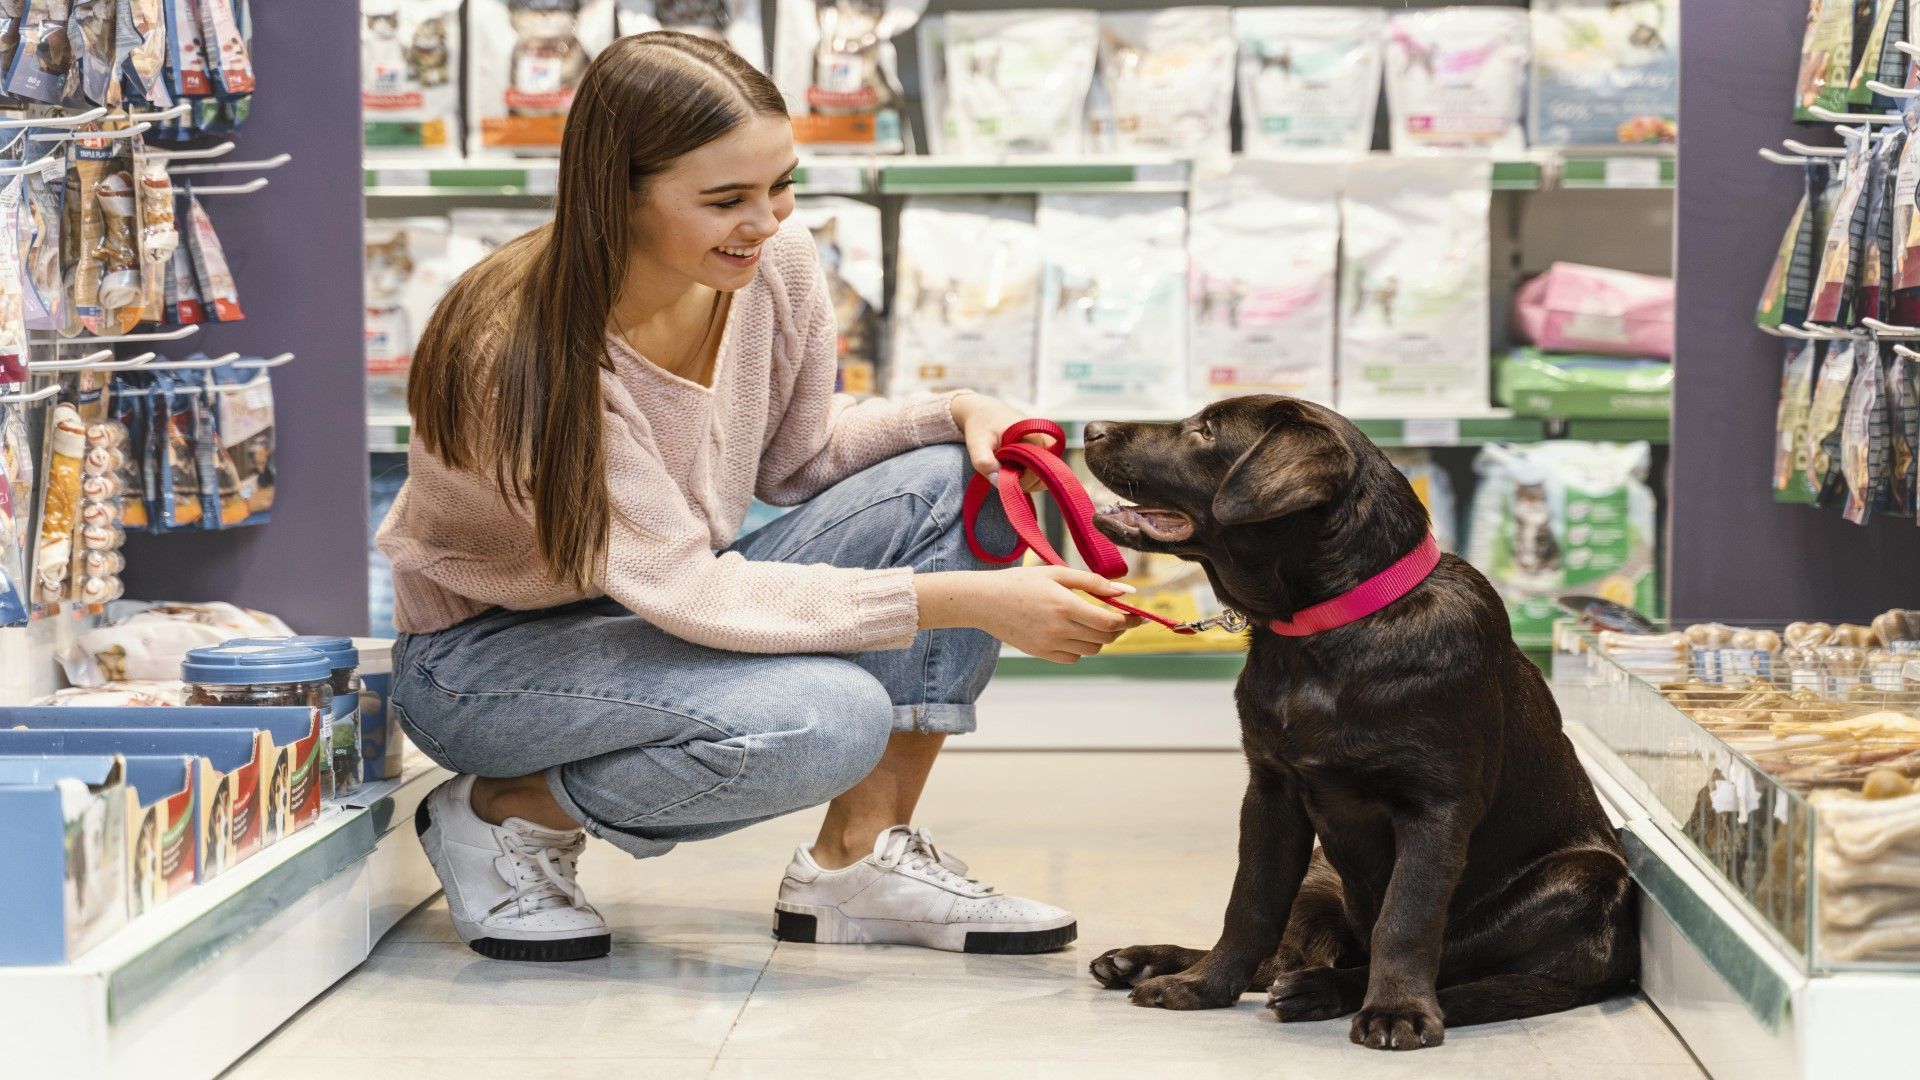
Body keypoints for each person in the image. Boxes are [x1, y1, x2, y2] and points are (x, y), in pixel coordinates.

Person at [376, 31, 1141, 963]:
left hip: (655, 605)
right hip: (486, 664)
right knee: (827, 718)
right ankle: (503, 812)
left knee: (964, 480)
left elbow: (799, 458)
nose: (768, 219)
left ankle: (858, 862)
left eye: (782, 184)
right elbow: (692, 592)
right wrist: (973, 602)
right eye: (727, 199)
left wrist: (960, 411)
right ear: (615, 194)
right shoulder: (522, 356)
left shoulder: (767, 263)